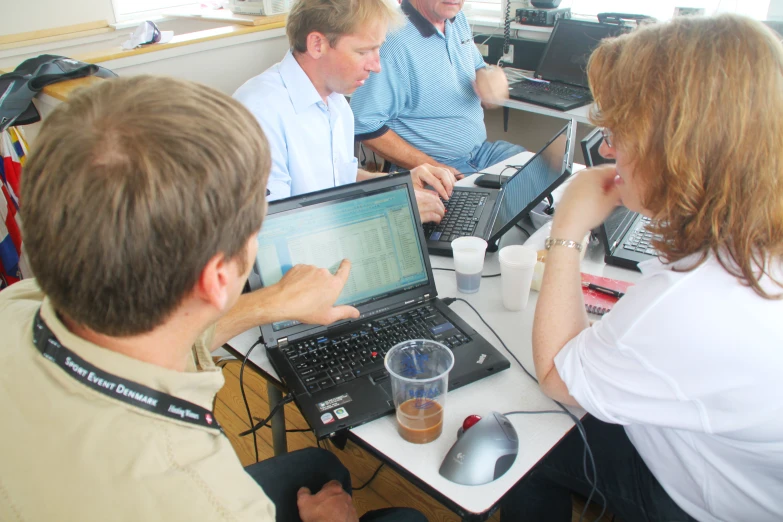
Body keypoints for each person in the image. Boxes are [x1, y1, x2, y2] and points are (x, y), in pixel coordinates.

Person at [0, 75, 426, 522]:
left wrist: (268, 303)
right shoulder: (213, 501)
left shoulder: (18, 303)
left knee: (319, 465)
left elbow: (160, 334)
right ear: (216, 278)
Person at [502, 14, 783, 522]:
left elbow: (556, 375)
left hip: (705, 500)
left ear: (677, 145)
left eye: (619, 131)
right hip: (742, 468)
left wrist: (568, 230)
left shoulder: (693, 304)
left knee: (529, 439)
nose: (607, 149)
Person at [233, 0, 456, 224]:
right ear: (317, 44)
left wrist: (400, 183)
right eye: (363, 51)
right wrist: (394, 203)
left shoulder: (336, 102)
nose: (376, 66)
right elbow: (272, 223)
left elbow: (340, 180)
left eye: (377, 48)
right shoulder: (259, 113)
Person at [349, 0, 524, 177]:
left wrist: (488, 76)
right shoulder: (392, 41)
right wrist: (434, 167)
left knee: (541, 172)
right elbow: (365, 124)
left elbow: (478, 66)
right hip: (430, 167)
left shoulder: (456, 19)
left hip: (482, 154)